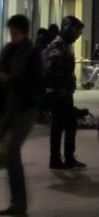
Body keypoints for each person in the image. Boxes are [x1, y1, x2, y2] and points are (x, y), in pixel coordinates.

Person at [0, 15, 42, 214]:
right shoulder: (8, 50)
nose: (12, 35)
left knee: (10, 152)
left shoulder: (31, 53)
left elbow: (33, 83)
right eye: (10, 32)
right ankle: (18, 201)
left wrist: (10, 80)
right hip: (7, 108)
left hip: (25, 108)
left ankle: (19, 201)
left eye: (14, 32)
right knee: (9, 153)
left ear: (22, 32)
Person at [43, 15, 86, 170]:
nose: (78, 35)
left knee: (66, 125)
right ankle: (58, 159)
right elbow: (52, 69)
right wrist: (61, 86)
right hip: (58, 94)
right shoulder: (58, 45)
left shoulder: (65, 45)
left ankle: (66, 158)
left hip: (64, 92)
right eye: (77, 32)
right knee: (61, 126)